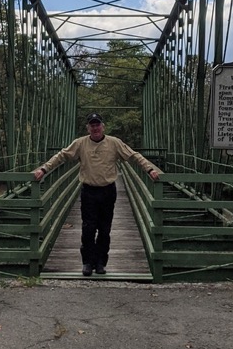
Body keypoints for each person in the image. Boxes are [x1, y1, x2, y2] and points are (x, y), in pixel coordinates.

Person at [33, 112, 161, 277]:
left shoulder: (114, 143)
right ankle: (87, 262)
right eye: (92, 125)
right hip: (89, 191)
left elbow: (134, 156)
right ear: (88, 128)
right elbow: (62, 155)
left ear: (103, 126)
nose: (95, 128)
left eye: (97, 124)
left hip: (108, 191)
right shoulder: (80, 143)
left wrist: (150, 169)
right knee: (88, 228)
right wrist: (44, 169)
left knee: (104, 229)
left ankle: (100, 263)